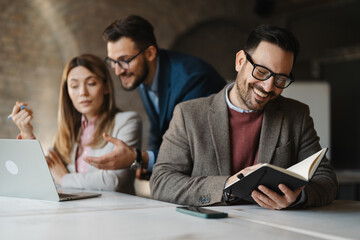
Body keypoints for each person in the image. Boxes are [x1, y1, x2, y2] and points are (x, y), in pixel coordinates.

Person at [150, 24, 338, 209]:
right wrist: (226, 186)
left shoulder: (297, 115)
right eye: (262, 72)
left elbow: (326, 179)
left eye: (281, 79)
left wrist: (298, 197)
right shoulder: (188, 114)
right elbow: (161, 181)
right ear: (240, 61)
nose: (268, 87)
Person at [85, 15, 226, 177]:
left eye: (124, 60)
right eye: (112, 62)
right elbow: (158, 130)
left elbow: (195, 151)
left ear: (150, 53)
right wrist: (148, 165)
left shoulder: (193, 80)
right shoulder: (139, 73)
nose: (117, 71)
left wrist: (141, 158)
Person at [9, 54, 141, 194]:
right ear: (68, 92)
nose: (83, 92)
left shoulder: (127, 121)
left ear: (106, 87)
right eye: (74, 86)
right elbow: (41, 179)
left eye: (91, 83)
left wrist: (65, 178)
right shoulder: (66, 133)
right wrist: (27, 133)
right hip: (72, 213)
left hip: (115, 212)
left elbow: (114, 181)